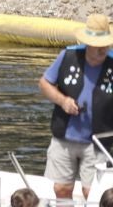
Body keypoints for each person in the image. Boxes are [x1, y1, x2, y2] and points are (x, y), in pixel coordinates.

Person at [40, 13, 113, 200]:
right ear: (87, 44)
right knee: (61, 189)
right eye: (97, 46)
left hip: (99, 141)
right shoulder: (68, 55)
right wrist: (63, 101)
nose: (102, 50)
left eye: (105, 45)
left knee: (95, 193)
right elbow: (45, 83)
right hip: (64, 136)